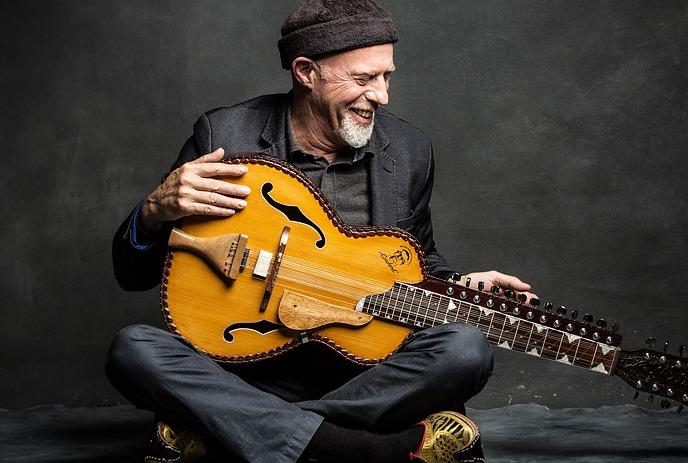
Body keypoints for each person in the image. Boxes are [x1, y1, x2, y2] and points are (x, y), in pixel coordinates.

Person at [106, 1, 535, 462]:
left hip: (365, 372)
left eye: (386, 76)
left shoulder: (409, 150)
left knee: (465, 350)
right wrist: (152, 212)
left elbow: (415, 262)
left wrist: (458, 289)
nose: (382, 95)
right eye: (363, 78)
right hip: (242, 367)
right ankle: (367, 448)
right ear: (306, 72)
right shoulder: (225, 136)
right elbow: (134, 274)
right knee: (133, 350)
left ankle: (230, 430)